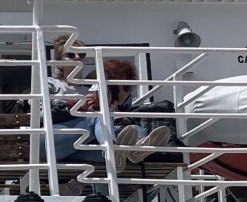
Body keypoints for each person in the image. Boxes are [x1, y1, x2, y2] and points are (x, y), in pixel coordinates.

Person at [46, 51, 169, 184]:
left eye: (82, 54)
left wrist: (102, 105)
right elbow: (40, 114)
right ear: (58, 62)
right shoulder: (50, 82)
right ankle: (115, 150)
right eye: (70, 54)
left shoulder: (88, 89)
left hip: (75, 149)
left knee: (130, 128)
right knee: (99, 117)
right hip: (53, 137)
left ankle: (134, 148)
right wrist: (76, 106)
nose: (77, 57)